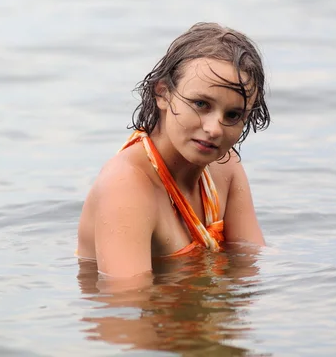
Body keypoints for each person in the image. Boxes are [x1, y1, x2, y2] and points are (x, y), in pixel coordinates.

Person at [76, 22, 270, 278]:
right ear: (163, 93)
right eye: (201, 104)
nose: (214, 129)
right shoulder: (126, 186)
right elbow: (123, 307)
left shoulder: (226, 167)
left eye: (233, 115)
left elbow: (250, 265)